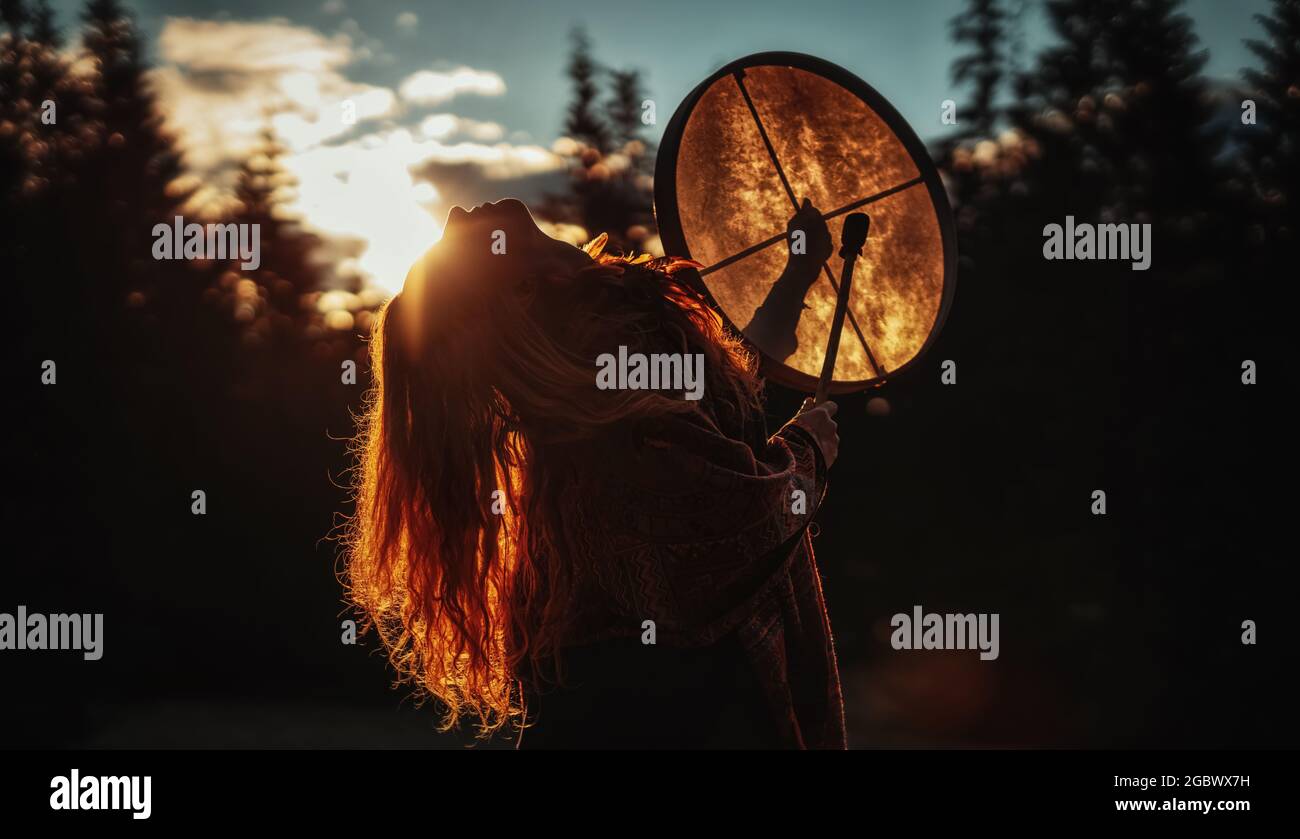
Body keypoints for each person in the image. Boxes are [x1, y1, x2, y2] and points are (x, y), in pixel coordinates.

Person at [343, 198, 845, 748]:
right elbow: (726, 515)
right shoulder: (600, 373)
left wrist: (801, 268)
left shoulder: (611, 349)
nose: (456, 212)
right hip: (658, 705)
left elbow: (729, 381)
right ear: (521, 291)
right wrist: (808, 451)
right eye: (455, 241)